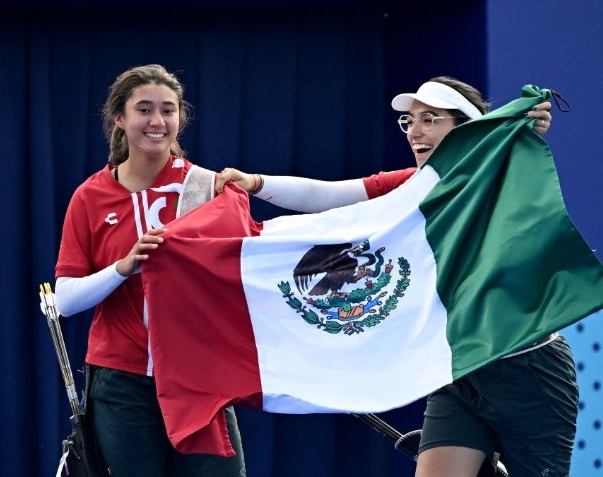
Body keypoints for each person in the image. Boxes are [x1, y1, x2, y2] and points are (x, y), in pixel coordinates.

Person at [216, 77, 577, 477]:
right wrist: (255, 184)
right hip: (457, 368)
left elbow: (515, 147)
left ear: (466, 127)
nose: (415, 132)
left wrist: (519, 126)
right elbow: (328, 195)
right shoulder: (410, 189)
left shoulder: (500, 176)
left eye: (430, 119)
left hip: (528, 370)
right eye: (410, 120)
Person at [54, 64, 246, 476]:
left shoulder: (208, 188)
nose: (157, 122)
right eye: (144, 109)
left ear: (181, 118)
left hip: (199, 377)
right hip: (122, 381)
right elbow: (65, 300)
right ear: (119, 119)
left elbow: (245, 275)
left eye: (168, 110)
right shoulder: (89, 196)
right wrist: (121, 268)